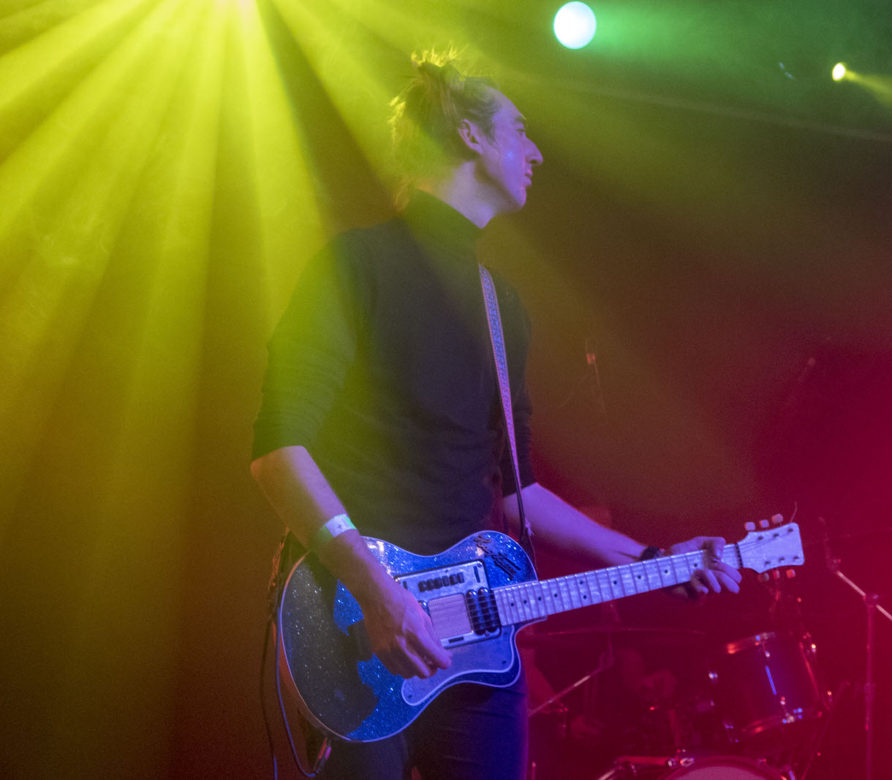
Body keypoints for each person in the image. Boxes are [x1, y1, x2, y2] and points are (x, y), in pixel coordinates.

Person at [249, 52, 742, 780]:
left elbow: (517, 493)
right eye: (519, 129)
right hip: (351, 622)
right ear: (469, 135)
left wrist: (647, 560)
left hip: (473, 639)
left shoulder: (500, 302)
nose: (536, 150)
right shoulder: (354, 266)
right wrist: (376, 589)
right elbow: (277, 451)